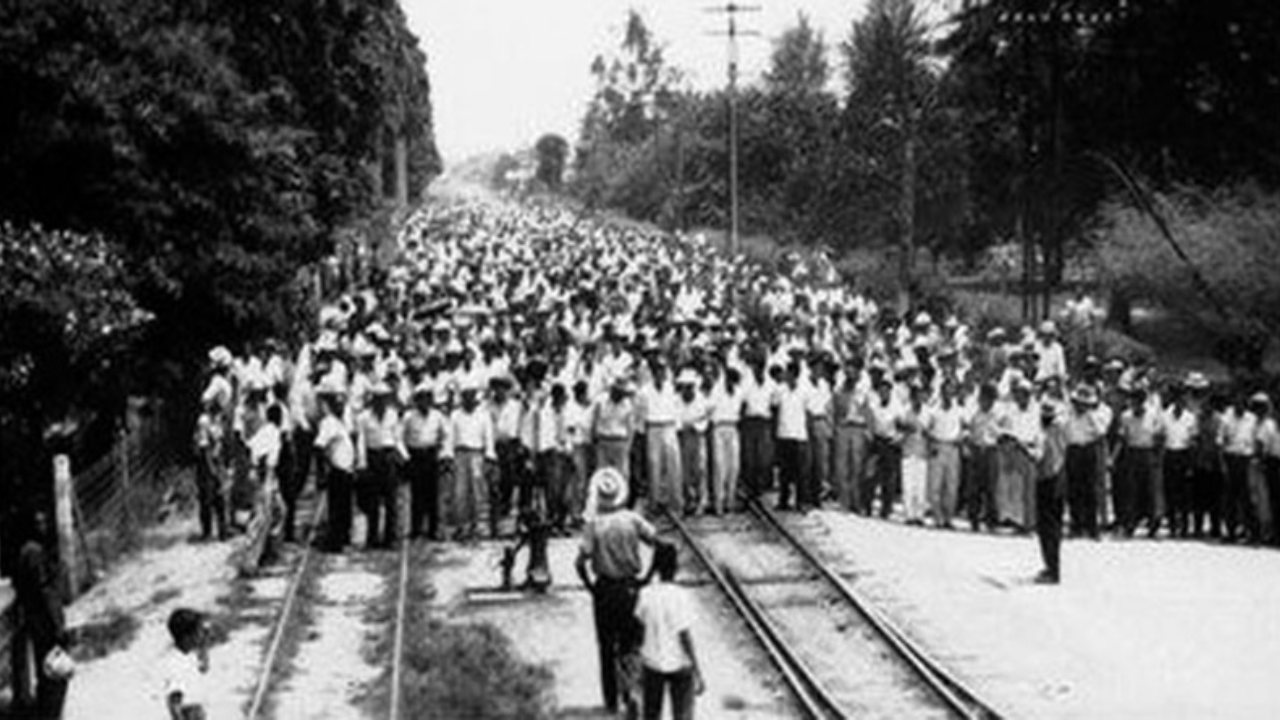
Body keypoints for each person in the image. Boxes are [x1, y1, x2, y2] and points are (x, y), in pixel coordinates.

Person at [575, 468, 658, 717]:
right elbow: (660, 544)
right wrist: (647, 577)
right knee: (632, 643)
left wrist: (590, 587)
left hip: (605, 589)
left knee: (606, 647)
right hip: (632, 588)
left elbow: (579, 562)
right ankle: (631, 689)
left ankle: (611, 701)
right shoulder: (633, 519)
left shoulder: (594, 525)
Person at [634, 541, 704, 720]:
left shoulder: (645, 594)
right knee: (682, 715)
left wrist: (638, 661)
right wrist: (698, 670)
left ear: (655, 567)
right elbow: (685, 636)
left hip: (652, 663)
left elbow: (639, 630)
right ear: (676, 567)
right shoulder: (681, 595)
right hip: (679, 663)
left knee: (651, 714)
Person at [12, 509, 70, 719]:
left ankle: (45, 712)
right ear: (31, 527)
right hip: (44, 621)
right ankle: (50, 714)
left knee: (44, 671)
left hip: (35, 620)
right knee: (53, 674)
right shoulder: (34, 552)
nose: (43, 526)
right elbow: (45, 591)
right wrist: (58, 624)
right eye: (38, 523)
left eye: (45, 522)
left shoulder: (24, 551)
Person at [314, 382, 355, 551]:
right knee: (337, 509)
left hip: (345, 470)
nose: (341, 407)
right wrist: (322, 471)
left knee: (344, 507)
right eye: (337, 404)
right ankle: (334, 541)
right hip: (337, 471)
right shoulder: (329, 422)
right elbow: (318, 446)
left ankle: (343, 537)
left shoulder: (340, 421)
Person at [1036, 402, 1068, 584]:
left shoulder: (1046, 434)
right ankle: (1052, 567)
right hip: (1059, 479)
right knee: (1054, 526)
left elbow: (1038, 457)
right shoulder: (1059, 431)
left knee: (1047, 527)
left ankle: (1052, 570)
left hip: (1047, 480)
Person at [162, 608, 213, 720]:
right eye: (199, 631)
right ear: (187, 636)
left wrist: (204, 643)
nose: (203, 634)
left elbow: (204, 667)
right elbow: (174, 705)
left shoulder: (189, 654)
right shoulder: (175, 663)